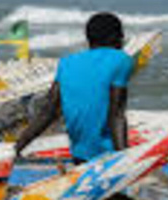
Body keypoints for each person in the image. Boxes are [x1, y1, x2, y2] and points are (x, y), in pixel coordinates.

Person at [15, 12, 133, 164]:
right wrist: (126, 161)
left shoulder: (66, 63)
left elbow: (48, 112)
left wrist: (17, 147)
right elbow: (116, 115)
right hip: (106, 155)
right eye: (121, 36)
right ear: (114, 37)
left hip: (79, 155)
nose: (123, 40)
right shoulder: (121, 59)